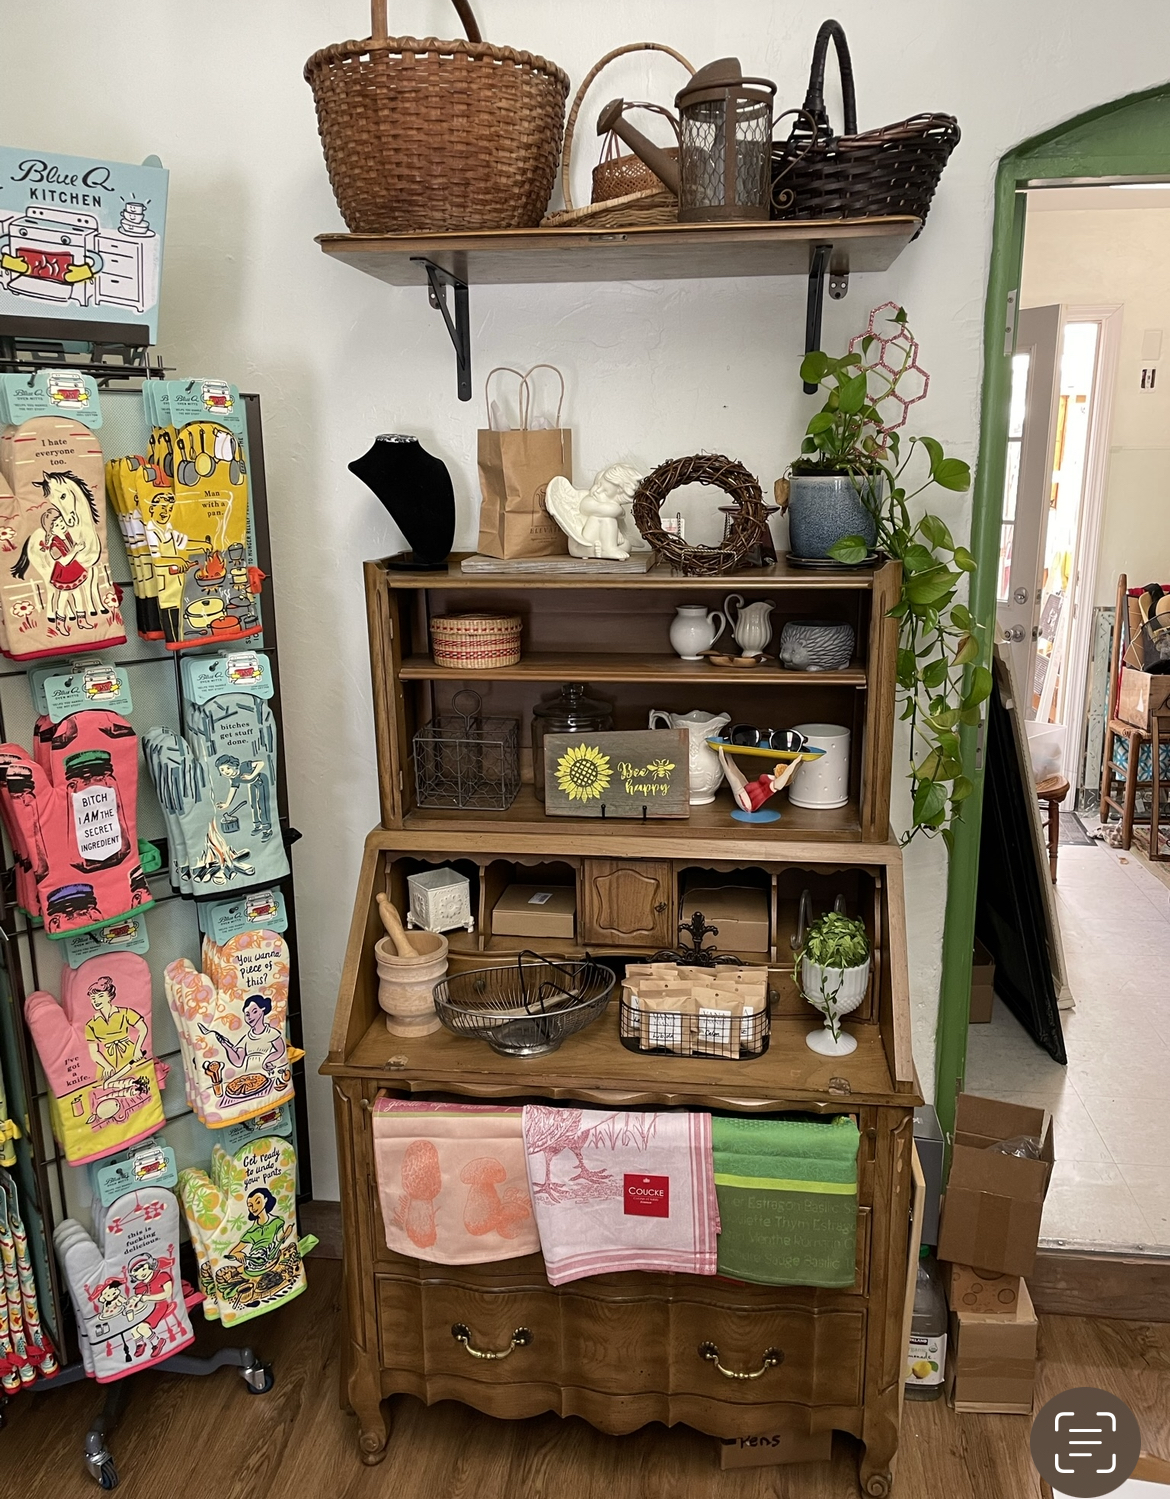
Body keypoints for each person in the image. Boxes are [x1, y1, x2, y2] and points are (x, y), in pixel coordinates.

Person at [199, 993, 288, 1082]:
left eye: (254, 1012)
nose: (250, 1017)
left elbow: (280, 1050)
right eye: (247, 1014)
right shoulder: (247, 1038)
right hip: (249, 1076)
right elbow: (238, 1061)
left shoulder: (272, 1033)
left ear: (263, 1009)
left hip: (269, 1074)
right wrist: (225, 1045)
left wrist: (267, 1061)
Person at [84, 976, 148, 1081]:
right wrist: (106, 1066)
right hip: (109, 1059)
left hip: (130, 1053)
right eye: (93, 998)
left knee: (141, 1080)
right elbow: (94, 1052)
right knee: (108, 1084)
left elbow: (143, 1028)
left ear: (110, 996)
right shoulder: (90, 1025)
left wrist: (137, 1050)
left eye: (100, 996)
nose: (96, 1001)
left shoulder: (125, 1012)